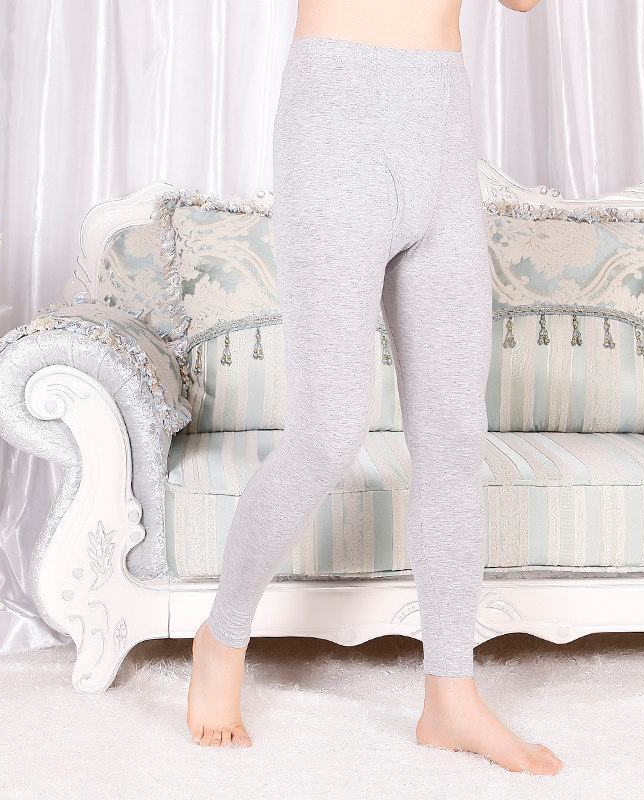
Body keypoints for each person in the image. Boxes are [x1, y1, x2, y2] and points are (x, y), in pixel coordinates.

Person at [187, 0, 562, 776]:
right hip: (338, 111)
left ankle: (450, 695)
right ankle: (221, 638)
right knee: (328, 432)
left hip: (442, 120)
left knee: (454, 436)